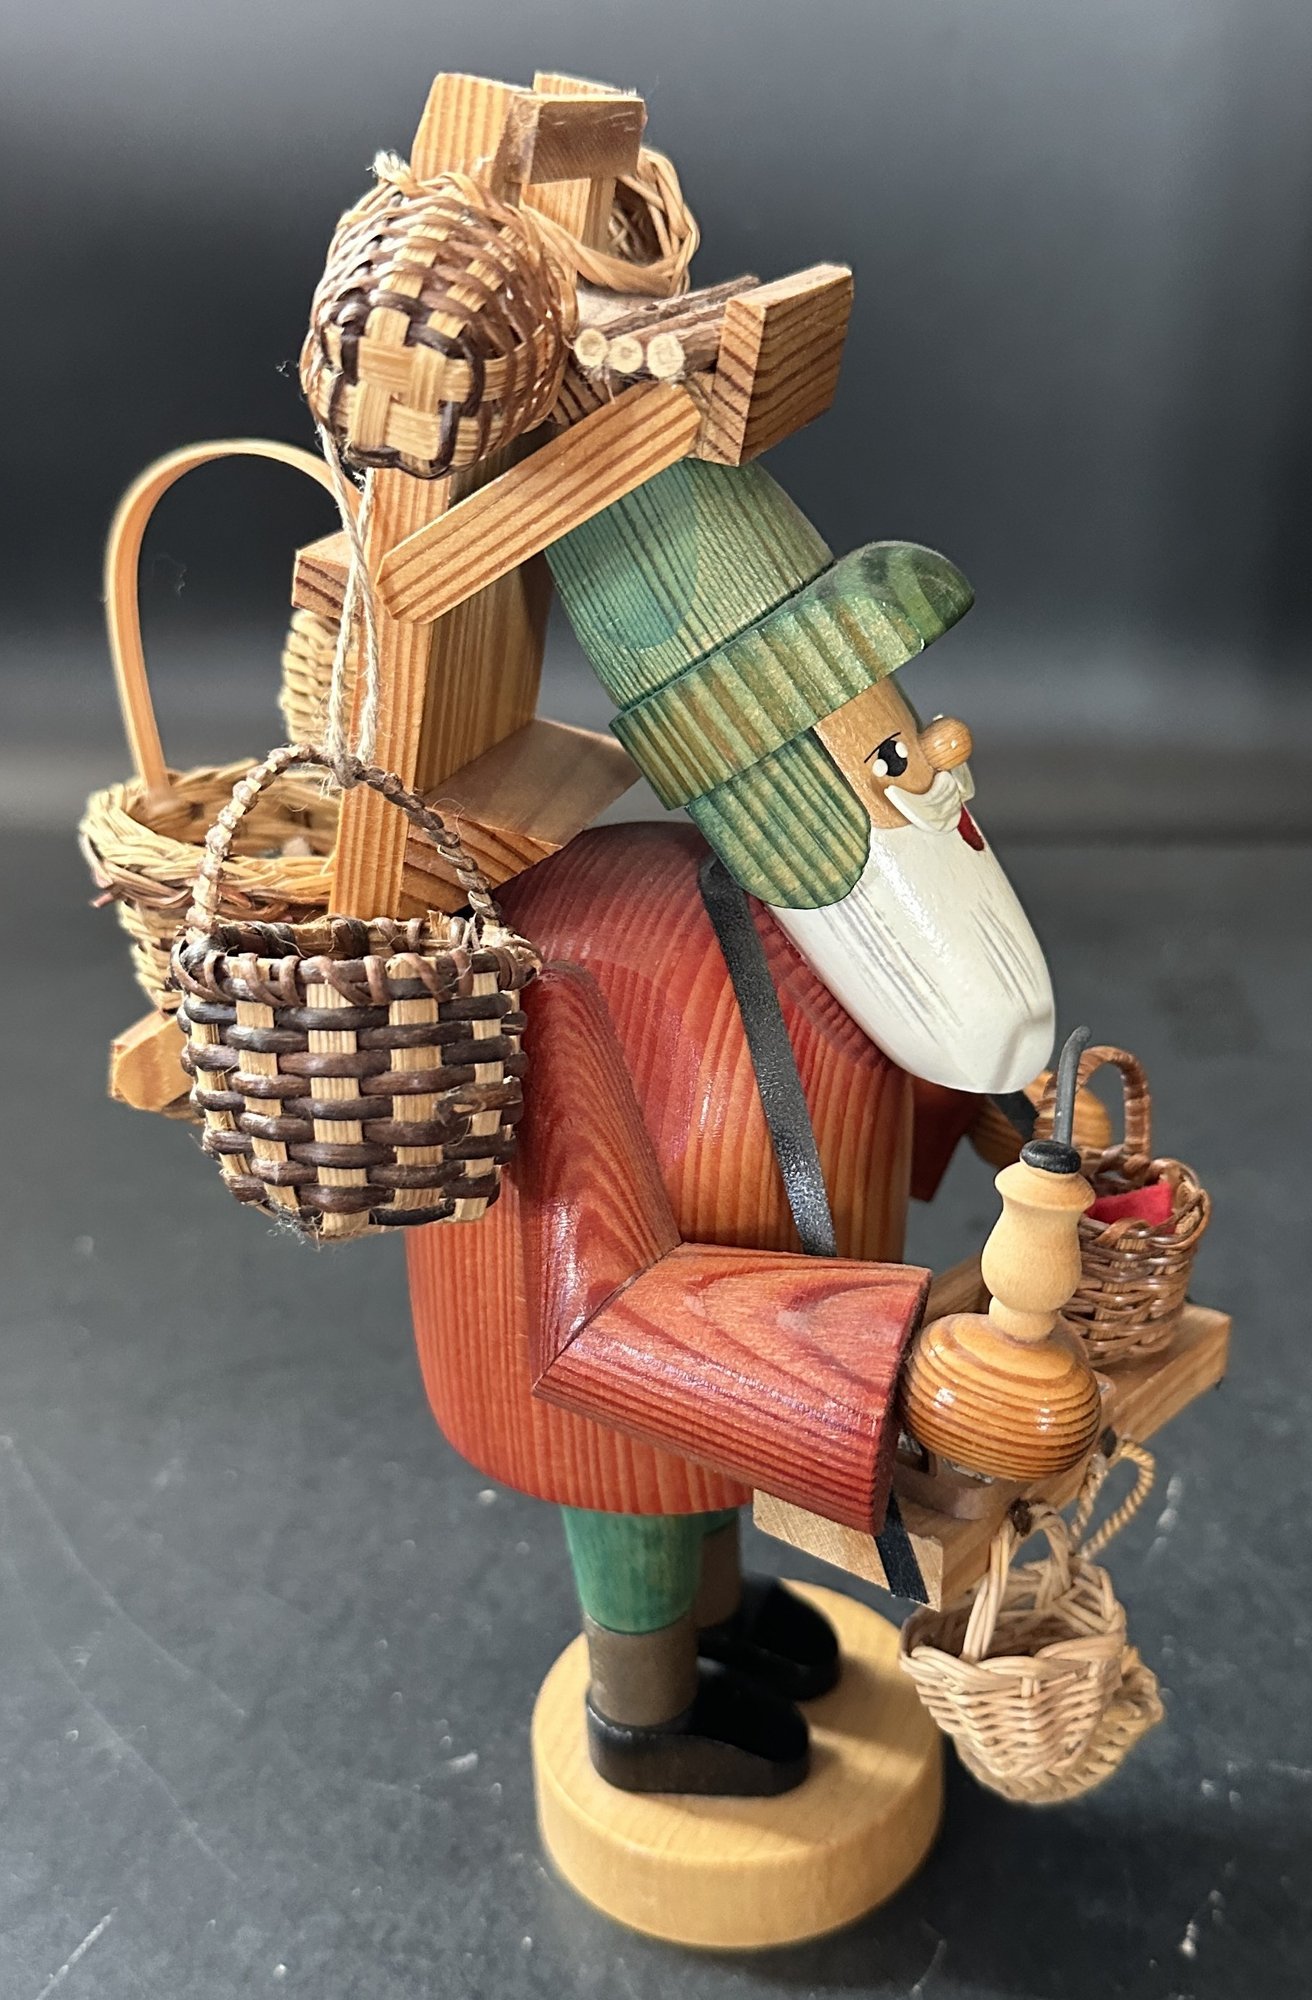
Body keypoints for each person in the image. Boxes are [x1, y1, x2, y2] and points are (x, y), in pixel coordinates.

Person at [406, 458, 1054, 1795]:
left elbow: (882, 1033)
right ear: (774, 787)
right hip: (608, 1330)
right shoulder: (592, 956)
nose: (942, 755)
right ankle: (643, 1712)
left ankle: (713, 1626)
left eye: (904, 720)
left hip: (752, 1297)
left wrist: (998, 1113)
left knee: (705, 1479)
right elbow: (592, 1270)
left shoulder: (812, 928)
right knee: (636, 1485)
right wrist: (851, 1351)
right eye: (883, 754)